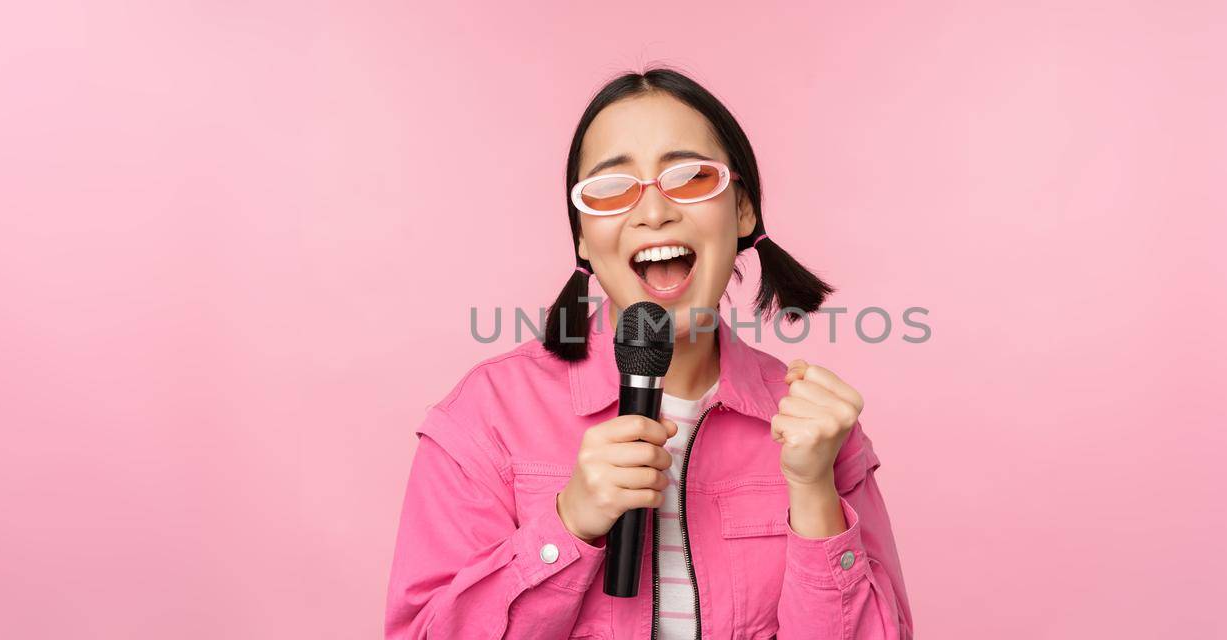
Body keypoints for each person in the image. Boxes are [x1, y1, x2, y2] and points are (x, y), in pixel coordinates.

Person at [385, 67, 913, 640]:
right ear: (583, 237)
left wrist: (814, 494)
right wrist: (569, 524)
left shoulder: (815, 427)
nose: (654, 211)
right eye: (612, 188)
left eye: (688, 178)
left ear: (742, 210)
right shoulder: (486, 416)